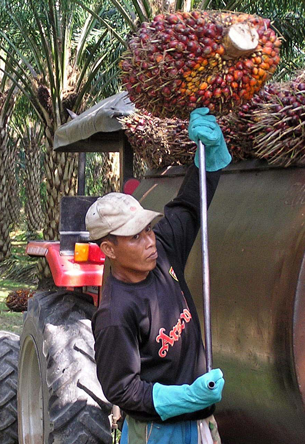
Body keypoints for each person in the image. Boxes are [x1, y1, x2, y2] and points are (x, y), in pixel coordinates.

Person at [87, 107, 231, 444]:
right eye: (135, 236)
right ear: (109, 250)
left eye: (149, 229)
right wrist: (185, 397)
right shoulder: (114, 313)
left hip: (198, 424)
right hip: (156, 433)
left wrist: (208, 157)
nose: (150, 240)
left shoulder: (163, 250)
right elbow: (122, 388)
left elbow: (189, 207)